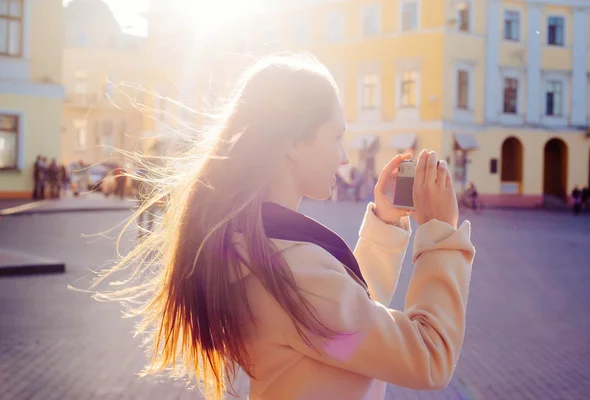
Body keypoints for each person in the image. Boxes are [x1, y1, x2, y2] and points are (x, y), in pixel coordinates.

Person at [93, 54, 475, 400]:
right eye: (336, 137)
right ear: (292, 143)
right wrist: (440, 233)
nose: (344, 158)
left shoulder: (260, 246)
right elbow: (429, 357)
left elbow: (348, 318)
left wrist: (386, 224)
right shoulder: (291, 271)